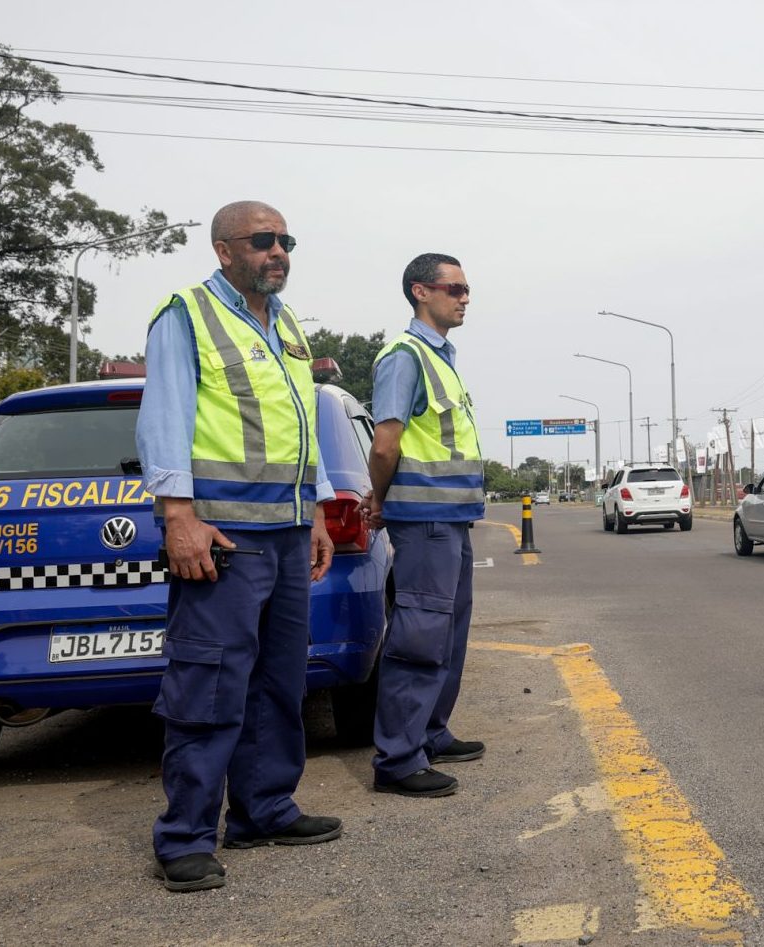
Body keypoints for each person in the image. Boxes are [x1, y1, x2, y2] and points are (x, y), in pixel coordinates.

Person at [137, 200, 340, 893]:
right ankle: (185, 835)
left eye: (286, 238)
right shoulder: (186, 314)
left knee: (280, 682)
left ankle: (264, 808)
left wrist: (312, 512)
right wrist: (179, 517)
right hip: (225, 534)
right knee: (210, 682)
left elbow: (299, 428)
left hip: (285, 532)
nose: (278, 249)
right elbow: (165, 417)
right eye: (263, 239)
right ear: (225, 250)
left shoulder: (286, 325)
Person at [364, 252, 485, 798]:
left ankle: (431, 732)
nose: (464, 299)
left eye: (465, 291)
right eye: (454, 289)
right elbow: (385, 443)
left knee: (450, 635)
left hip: (452, 520)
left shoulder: (443, 358)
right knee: (419, 637)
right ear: (421, 292)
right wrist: (378, 499)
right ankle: (397, 758)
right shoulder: (405, 356)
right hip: (424, 520)